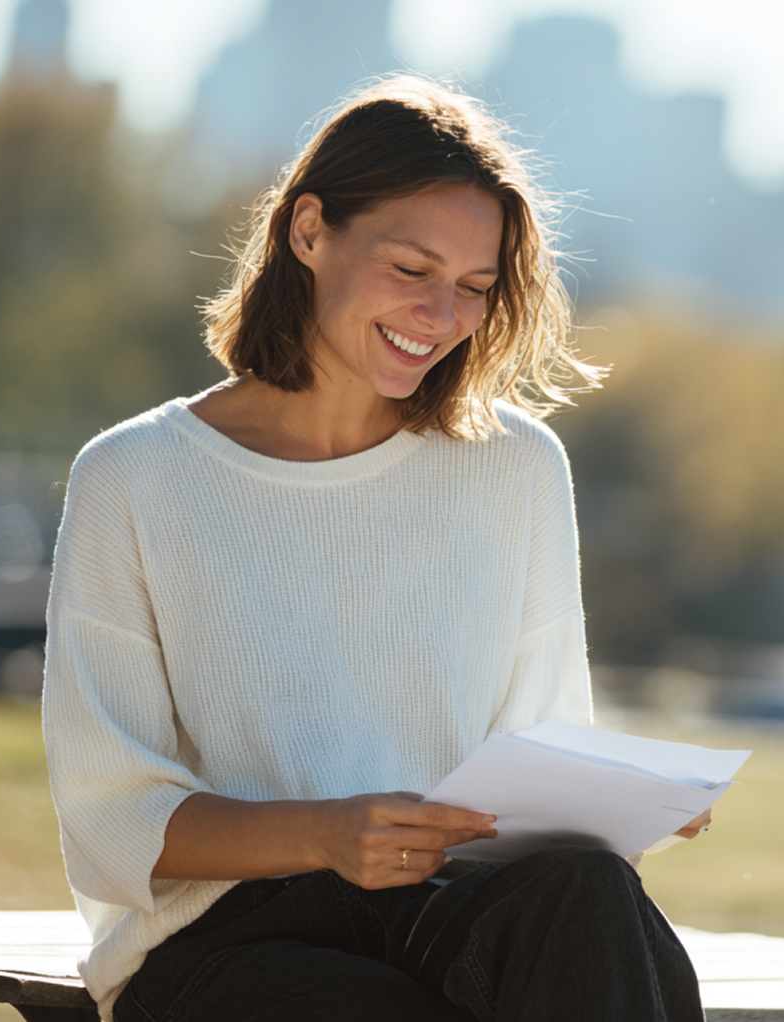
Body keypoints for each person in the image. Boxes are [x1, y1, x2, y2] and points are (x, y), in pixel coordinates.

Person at [43, 76, 706, 1022]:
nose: (441, 316)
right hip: (228, 942)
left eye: (474, 288)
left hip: (451, 913)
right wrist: (323, 834)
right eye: (410, 270)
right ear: (308, 231)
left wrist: (613, 806)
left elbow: (541, 765)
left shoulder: (514, 469)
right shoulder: (136, 477)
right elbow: (111, 819)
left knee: (589, 893)